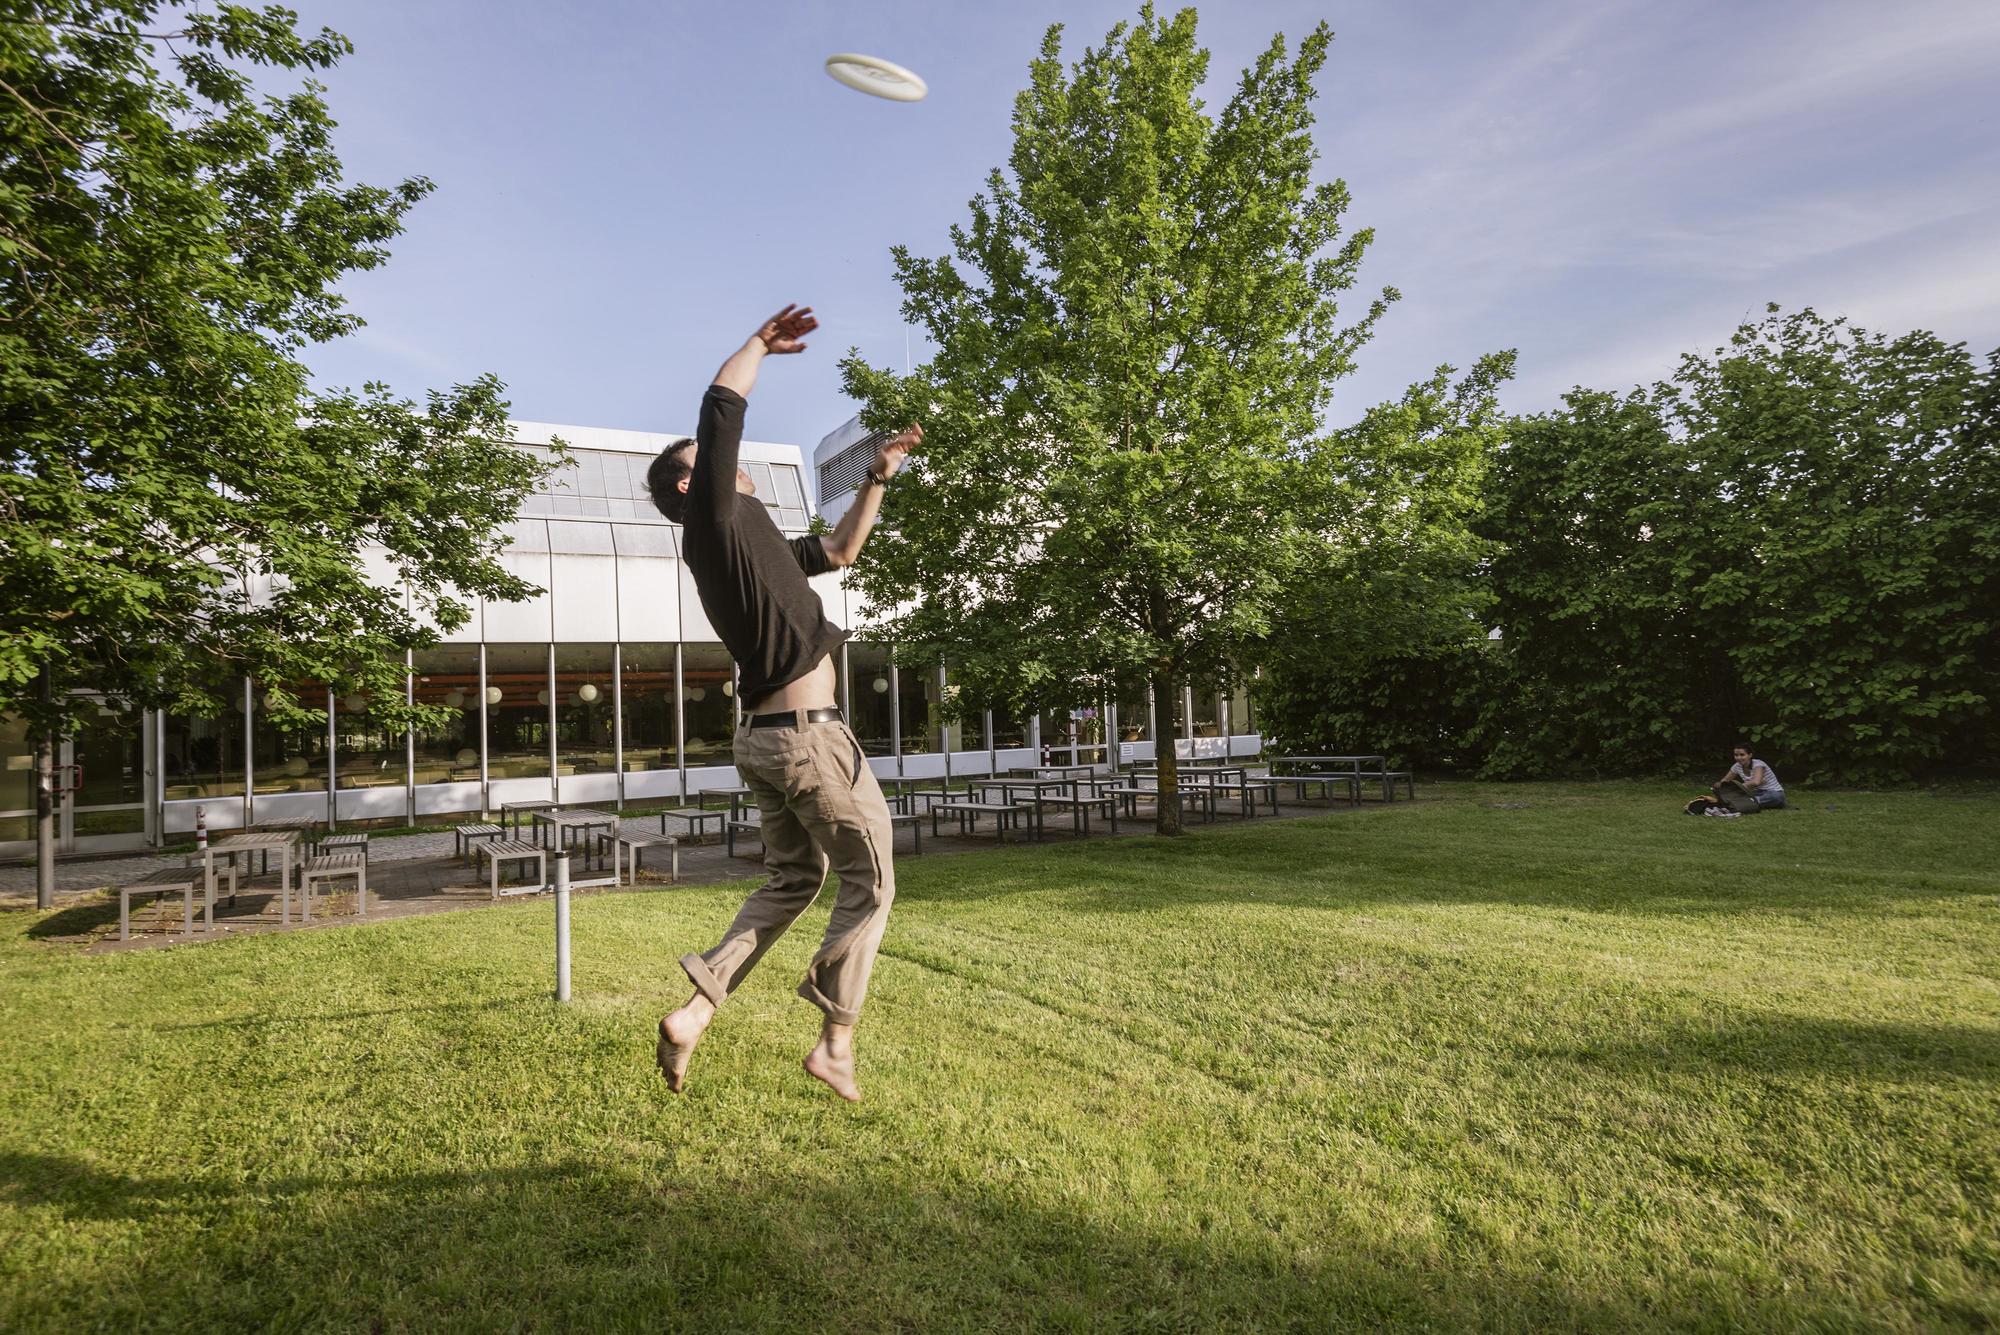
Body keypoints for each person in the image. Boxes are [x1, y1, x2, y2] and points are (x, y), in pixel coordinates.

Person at [647, 304, 920, 1102]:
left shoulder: (750, 534)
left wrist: (876, 476)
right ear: (693, 483)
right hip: (806, 741)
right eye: (714, 460)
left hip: (769, 741)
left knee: (793, 879)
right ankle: (836, 1040)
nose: (736, 464)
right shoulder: (712, 522)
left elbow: (840, 550)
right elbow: (720, 407)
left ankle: (696, 1011)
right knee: (872, 881)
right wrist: (759, 345)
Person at [1714, 744, 1786, 810]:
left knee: (1776, 797)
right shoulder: (1736, 766)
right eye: (1736, 755)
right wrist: (1719, 785)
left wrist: (1736, 788)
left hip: (1773, 792)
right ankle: (1748, 803)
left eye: (1742, 755)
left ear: (1750, 755)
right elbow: (1725, 780)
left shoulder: (1758, 764)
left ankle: (1742, 803)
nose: (1739, 758)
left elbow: (1756, 782)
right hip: (1756, 793)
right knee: (1740, 795)